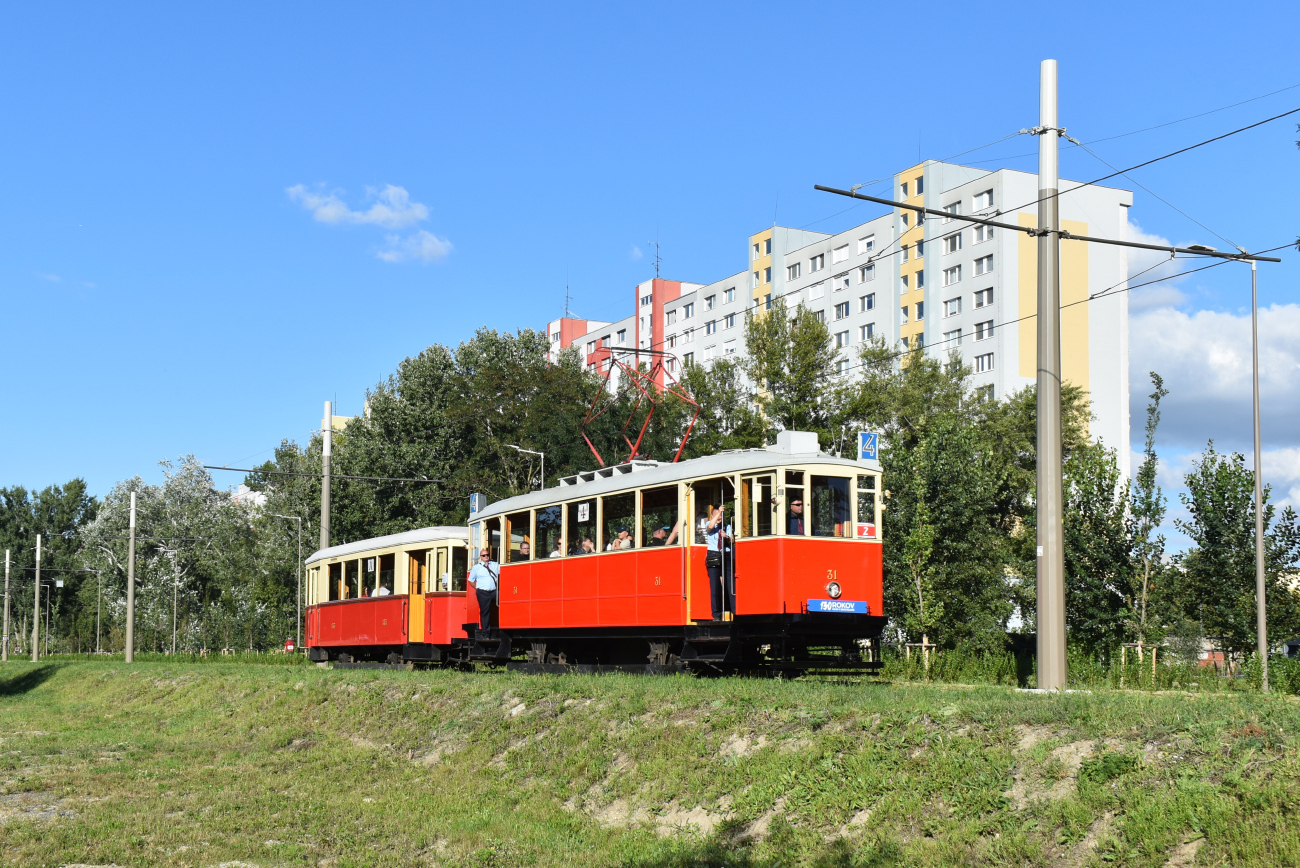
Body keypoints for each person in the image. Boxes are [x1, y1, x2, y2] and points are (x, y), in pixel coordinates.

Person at [705, 507, 733, 621]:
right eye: (717, 514)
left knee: (729, 583)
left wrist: (726, 537)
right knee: (715, 585)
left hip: (725, 554)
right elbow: (710, 527)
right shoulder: (709, 523)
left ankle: (731, 610)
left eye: (721, 515)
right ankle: (716, 614)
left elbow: (732, 540)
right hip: (713, 555)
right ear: (712, 516)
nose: (720, 517)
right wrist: (719, 513)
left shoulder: (727, 526)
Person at [467, 548, 500, 630]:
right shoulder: (476, 567)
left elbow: (502, 570)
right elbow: (471, 580)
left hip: (494, 591)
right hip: (483, 592)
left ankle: (501, 626)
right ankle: (485, 632)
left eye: (487, 555)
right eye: (484, 555)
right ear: (480, 557)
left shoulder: (494, 564)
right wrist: (478, 588)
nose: (486, 557)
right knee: (485, 612)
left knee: (502, 606)